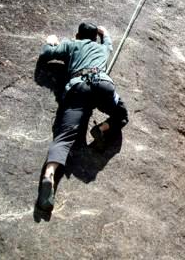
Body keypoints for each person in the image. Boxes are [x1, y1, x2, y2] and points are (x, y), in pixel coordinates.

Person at [36, 22, 128, 211]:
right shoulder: (103, 48)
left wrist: (51, 42)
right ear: (96, 38)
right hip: (102, 85)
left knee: (64, 136)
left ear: (78, 35)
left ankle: (49, 174)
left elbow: (47, 55)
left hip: (78, 88)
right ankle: (101, 129)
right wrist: (104, 32)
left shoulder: (71, 44)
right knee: (121, 114)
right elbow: (108, 40)